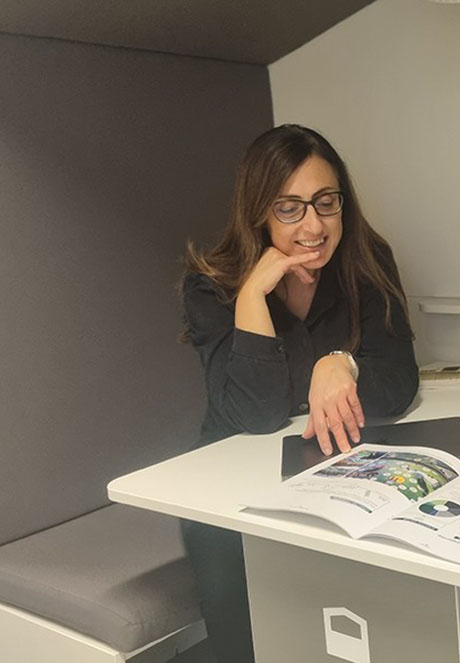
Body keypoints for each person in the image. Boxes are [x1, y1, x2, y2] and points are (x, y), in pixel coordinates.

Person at [180, 124, 419, 663]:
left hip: (337, 467)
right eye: (290, 208)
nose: (314, 226)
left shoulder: (366, 259)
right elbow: (254, 414)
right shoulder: (211, 284)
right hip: (227, 487)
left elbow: (400, 378)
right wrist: (252, 299)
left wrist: (343, 363)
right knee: (233, 580)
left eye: (325, 202)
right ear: (259, 211)